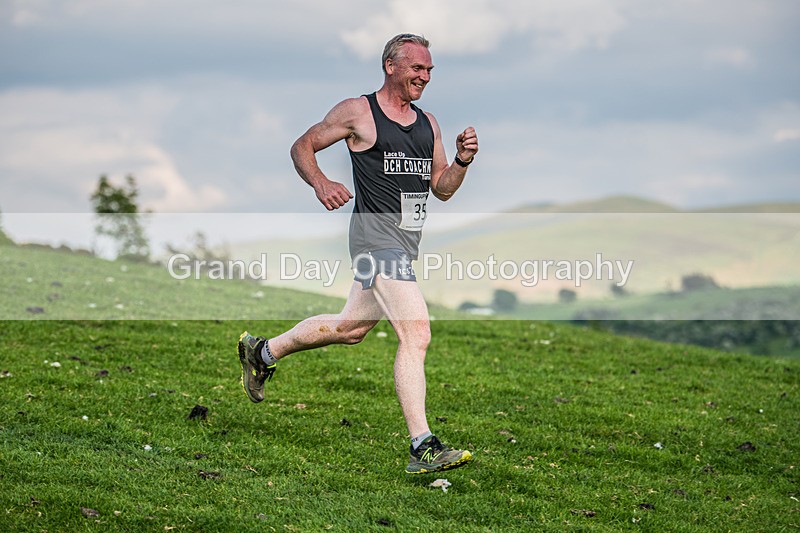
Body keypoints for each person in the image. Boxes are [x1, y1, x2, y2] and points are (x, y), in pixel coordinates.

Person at [238, 33, 478, 474]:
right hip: (374, 239)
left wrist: (461, 162)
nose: (424, 77)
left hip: (405, 244)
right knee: (416, 334)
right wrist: (322, 183)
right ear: (391, 66)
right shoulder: (358, 112)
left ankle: (262, 352)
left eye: (429, 71)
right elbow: (302, 146)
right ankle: (422, 446)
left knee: (351, 328)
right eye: (416, 69)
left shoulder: (429, 124)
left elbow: (441, 188)